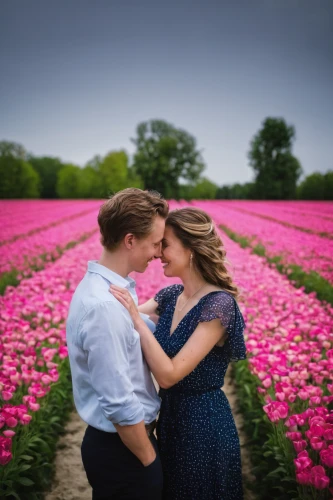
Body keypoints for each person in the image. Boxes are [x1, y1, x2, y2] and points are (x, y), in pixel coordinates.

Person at [110, 207, 247, 500]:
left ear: (191, 249)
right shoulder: (171, 296)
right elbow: (117, 313)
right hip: (171, 420)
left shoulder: (219, 306)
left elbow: (170, 375)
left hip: (204, 425)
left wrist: (137, 319)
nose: (159, 253)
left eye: (165, 244)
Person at [66, 188, 169, 500]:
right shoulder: (105, 306)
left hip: (120, 446)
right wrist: (149, 460)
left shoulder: (111, 291)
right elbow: (119, 402)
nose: (159, 252)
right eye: (155, 243)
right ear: (130, 240)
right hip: (124, 450)